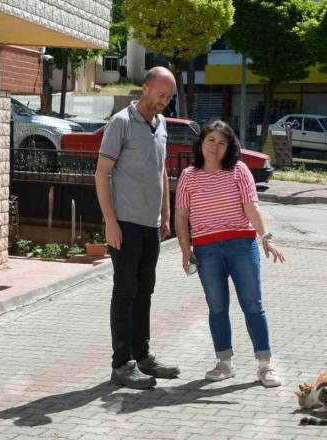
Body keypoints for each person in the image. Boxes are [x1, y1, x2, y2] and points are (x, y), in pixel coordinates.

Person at [174, 121, 286, 388]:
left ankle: (265, 365)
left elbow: (252, 208)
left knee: (252, 305)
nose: (215, 147)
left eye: (222, 143)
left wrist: (266, 238)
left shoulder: (239, 170)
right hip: (206, 249)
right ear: (201, 143)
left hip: (241, 246)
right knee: (217, 307)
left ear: (229, 147)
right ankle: (224, 364)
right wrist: (184, 248)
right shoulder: (188, 175)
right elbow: (181, 215)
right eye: (211, 140)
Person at [95, 67, 181, 389]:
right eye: (161, 94)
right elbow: (102, 173)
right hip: (126, 225)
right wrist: (110, 221)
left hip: (151, 226)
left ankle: (142, 356)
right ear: (144, 89)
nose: (165, 101)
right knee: (125, 292)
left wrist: (166, 215)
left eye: (169, 96)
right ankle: (121, 365)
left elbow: (161, 173)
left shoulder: (160, 126)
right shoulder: (121, 122)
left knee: (145, 290)